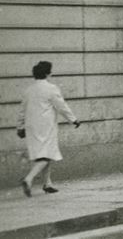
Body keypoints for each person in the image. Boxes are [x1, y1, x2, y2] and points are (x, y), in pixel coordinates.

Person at [17, 61, 79, 197]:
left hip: (31, 127)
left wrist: (20, 126)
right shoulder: (51, 88)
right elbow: (61, 106)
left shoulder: (29, 90)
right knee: (46, 155)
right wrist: (73, 119)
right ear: (47, 73)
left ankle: (47, 184)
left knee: (43, 154)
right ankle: (28, 179)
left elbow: (22, 110)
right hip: (45, 126)